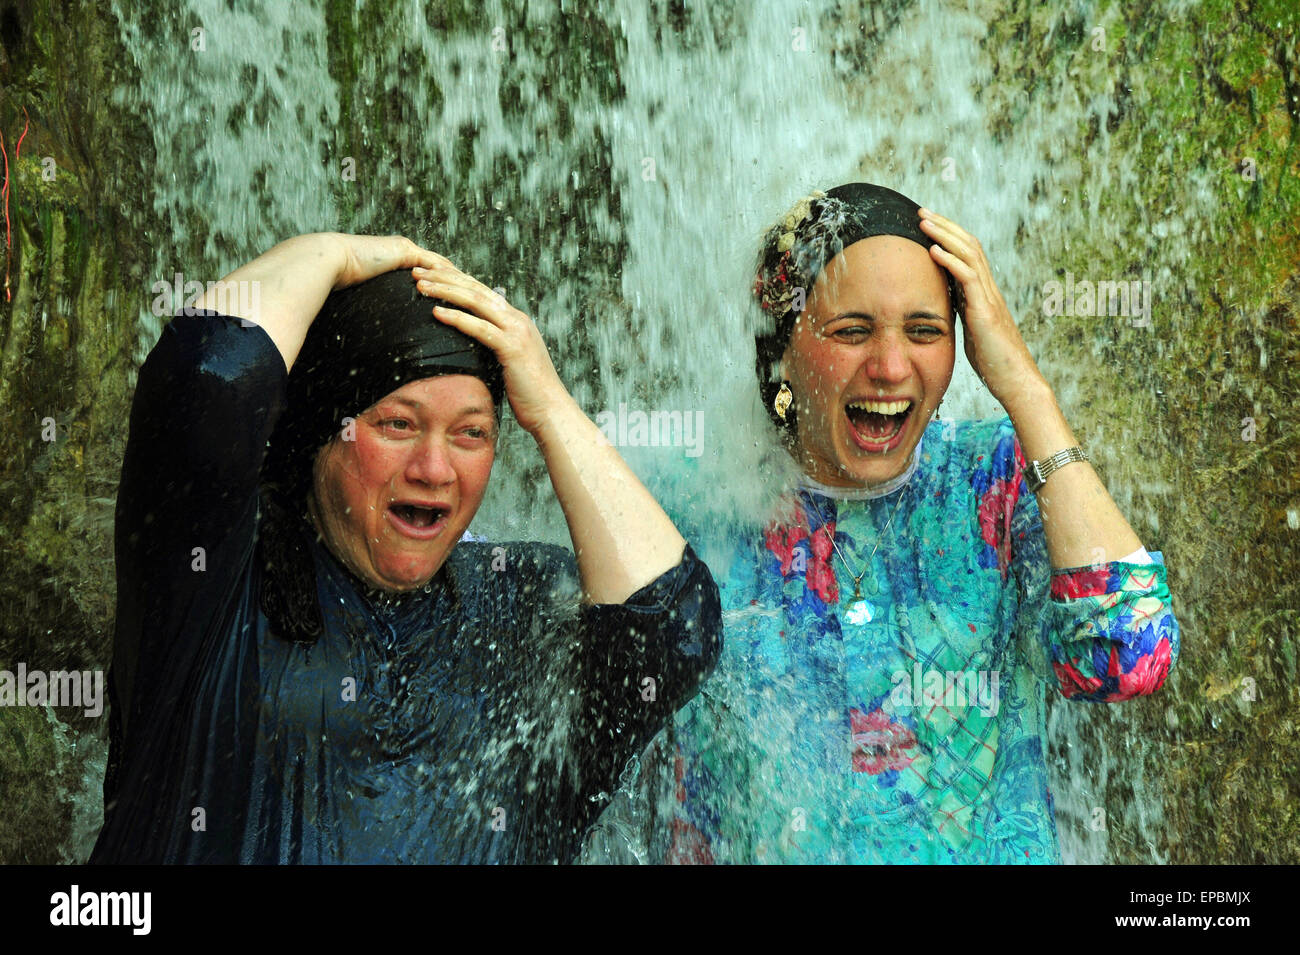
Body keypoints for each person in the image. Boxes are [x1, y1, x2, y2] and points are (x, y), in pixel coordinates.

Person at [90, 233, 721, 864]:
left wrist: (553, 408)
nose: (435, 467)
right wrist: (327, 254)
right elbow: (208, 378)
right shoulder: (213, 573)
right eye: (398, 424)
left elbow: (675, 627)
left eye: (471, 433)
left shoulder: (521, 609)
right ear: (321, 434)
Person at [660, 183, 1179, 864]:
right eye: (852, 330)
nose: (890, 366)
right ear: (782, 345)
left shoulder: (994, 480)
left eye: (925, 331)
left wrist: (1023, 384)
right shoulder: (697, 510)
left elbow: (1129, 654)